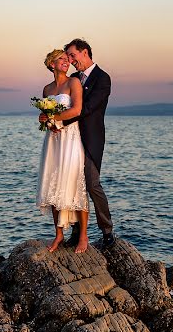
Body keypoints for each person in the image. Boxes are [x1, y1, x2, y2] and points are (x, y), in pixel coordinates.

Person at [35, 49, 90, 253]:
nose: (67, 62)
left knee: (76, 183)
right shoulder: (47, 88)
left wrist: (54, 118)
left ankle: (83, 236)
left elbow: (77, 110)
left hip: (71, 138)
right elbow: (45, 115)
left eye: (68, 59)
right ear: (51, 64)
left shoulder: (73, 83)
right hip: (53, 140)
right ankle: (59, 235)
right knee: (53, 183)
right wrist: (45, 120)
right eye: (62, 59)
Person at [63, 38, 115, 249]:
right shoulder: (73, 78)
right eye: (68, 58)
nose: (71, 61)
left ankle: (107, 231)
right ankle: (77, 232)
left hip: (91, 140)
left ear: (85, 52)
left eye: (73, 56)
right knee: (74, 186)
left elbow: (88, 108)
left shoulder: (103, 79)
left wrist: (61, 118)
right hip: (70, 139)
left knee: (92, 184)